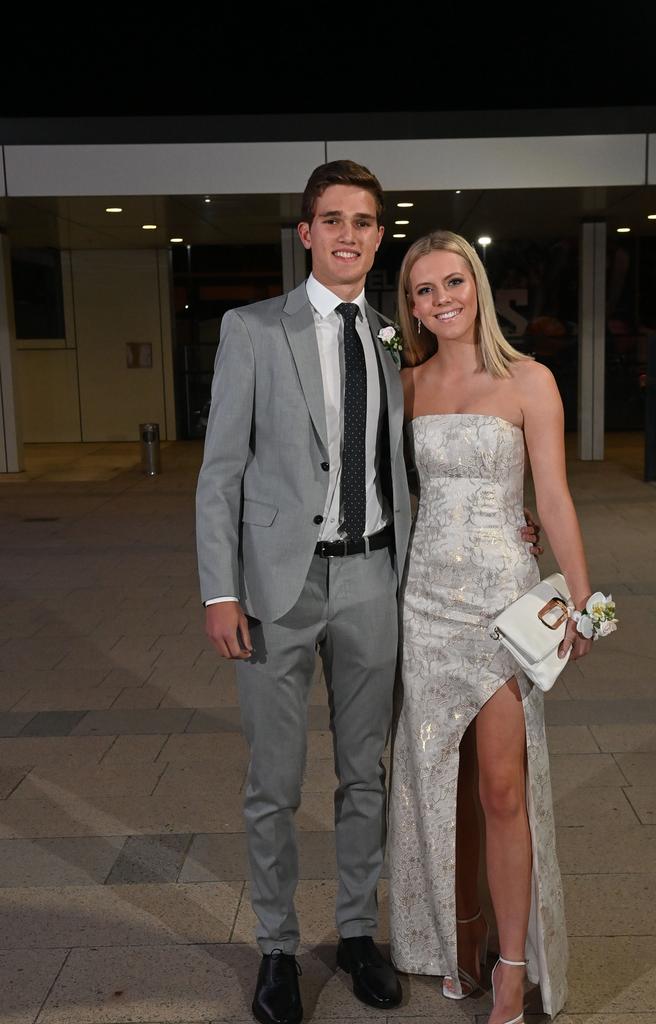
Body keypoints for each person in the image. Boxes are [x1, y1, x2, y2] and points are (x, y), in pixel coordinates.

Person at [195, 160, 412, 1024]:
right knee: (273, 783)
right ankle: (277, 950)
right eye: (333, 220)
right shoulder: (252, 330)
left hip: (372, 576)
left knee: (367, 775)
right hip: (275, 589)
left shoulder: (396, 338)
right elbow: (220, 474)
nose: (349, 235)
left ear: (378, 234)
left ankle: (358, 934)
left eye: (364, 221)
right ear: (306, 233)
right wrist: (220, 592)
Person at [388, 230, 595, 1024]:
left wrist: (582, 600)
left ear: (477, 285)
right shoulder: (404, 385)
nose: (440, 301)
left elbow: (554, 497)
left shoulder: (529, 380)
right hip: (425, 606)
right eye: (422, 290)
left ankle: (512, 964)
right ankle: (459, 938)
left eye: (452, 283)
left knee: (501, 787)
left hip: (502, 606)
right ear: (408, 305)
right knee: (443, 786)